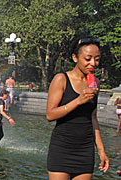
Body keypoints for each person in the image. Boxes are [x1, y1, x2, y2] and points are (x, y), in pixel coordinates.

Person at [46, 37, 109, 179]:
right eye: (88, 59)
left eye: (97, 59)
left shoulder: (95, 83)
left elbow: (93, 118)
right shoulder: (61, 79)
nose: (93, 63)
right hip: (62, 147)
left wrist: (101, 151)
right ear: (75, 57)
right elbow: (50, 115)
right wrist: (78, 101)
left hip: (85, 150)